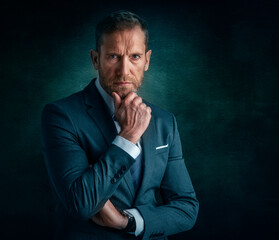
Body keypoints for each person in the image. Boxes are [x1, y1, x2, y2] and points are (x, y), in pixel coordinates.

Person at [41, 10, 199, 240]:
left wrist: (128, 222)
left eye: (134, 56)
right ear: (96, 59)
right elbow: (80, 204)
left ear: (147, 60)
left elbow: (187, 208)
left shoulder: (165, 122)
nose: (124, 71)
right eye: (114, 56)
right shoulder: (61, 116)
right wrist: (127, 138)